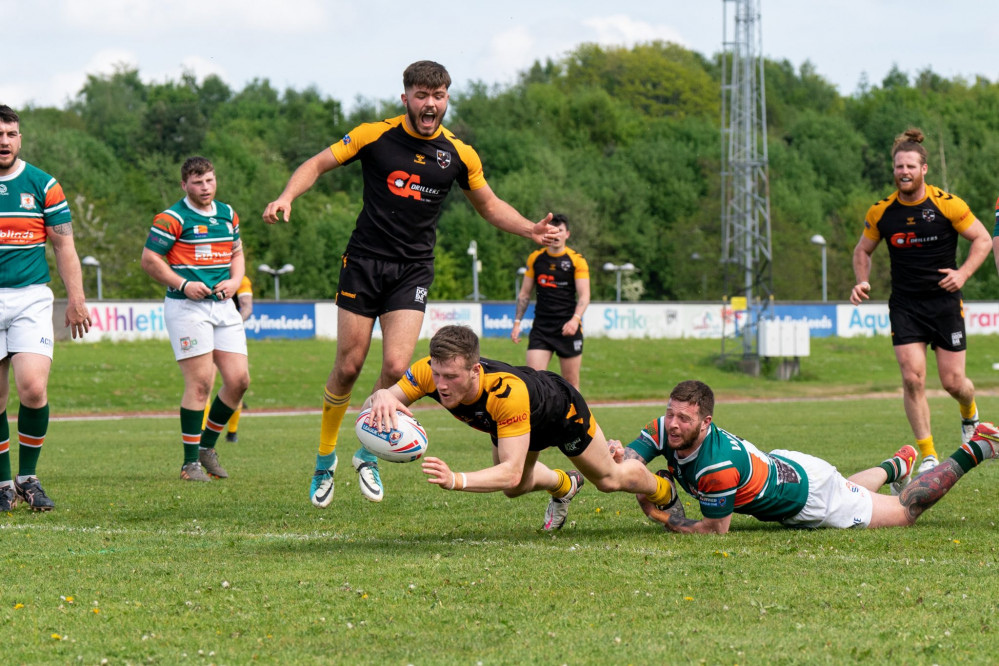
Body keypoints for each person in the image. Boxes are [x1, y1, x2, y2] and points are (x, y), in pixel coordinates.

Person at [261, 60, 559, 508]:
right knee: (348, 365)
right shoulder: (373, 134)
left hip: (412, 268)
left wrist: (528, 230)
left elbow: (490, 205)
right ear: (406, 98)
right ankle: (325, 460)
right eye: (422, 95)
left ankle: (368, 451)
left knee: (399, 366)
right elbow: (317, 164)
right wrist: (287, 196)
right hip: (363, 261)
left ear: (446, 99)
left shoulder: (459, 154)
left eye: (438, 96)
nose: (430, 104)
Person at [364, 325, 676, 530]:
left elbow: (510, 470)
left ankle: (663, 490)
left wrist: (455, 480)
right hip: (516, 422)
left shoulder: (504, 394)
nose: (441, 385)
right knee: (513, 491)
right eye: (438, 373)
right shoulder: (428, 371)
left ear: (475, 370)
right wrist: (380, 395)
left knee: (608, 479)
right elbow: (381, 403)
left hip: (560, 411)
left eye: (452, 377)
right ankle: (564, 485)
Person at [600, 379, 999, 534]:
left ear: (705, 422)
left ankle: (976, 447)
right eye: (670, 413)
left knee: (905, 511)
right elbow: (635, 456)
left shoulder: (716, 467)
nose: (671, 425)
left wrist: (665, 516)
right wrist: (621, 453)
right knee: (850, 489)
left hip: (808, 496)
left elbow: (712, 531)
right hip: (787, 465)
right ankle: (896, 465)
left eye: (683, 419)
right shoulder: (663, 427)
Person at [851, 127, 991, 477]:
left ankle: (969, 412)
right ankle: (929, 454)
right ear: (894, 169)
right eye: (899, 167)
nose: (904, 172)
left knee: (953, 382)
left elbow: (983, 240)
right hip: (906, 306)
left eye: (910, 166)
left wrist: (963, 275)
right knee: (913, 379)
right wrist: (862, 280)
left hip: (944, 304)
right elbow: (862, 250)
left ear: (923, 168)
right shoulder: (881, 212)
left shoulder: (948, 204)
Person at [0, 105, 90, 512]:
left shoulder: (43, 184)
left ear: (20, 138)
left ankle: (28, 478)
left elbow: (64, 245)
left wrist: (77, 300)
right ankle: (4, 484)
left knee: (33, 388)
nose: (4, 141)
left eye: (11, 133)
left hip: (30, 298)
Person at [141, 156, 250, 482]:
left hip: (223, 306)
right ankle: (190, 464)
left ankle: (206, 447)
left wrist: (235, 281)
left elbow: (237, 253)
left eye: (210, 180)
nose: (205, 187)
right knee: (201, 383)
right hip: (186, 308)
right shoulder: (171, 218)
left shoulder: (227, 214)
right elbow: (149, 260)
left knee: (239, 381)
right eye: (198, 182)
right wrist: (184, 284)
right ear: (184, 184)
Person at [510, 213, 590, 388]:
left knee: (571, 384)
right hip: (542, 328)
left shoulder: (577, 260)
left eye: (560, 230)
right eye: (552, 230)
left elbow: (584, 295)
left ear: (567, 234)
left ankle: (574, 416)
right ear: (547, 233)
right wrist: (517, 322)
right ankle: (538, 416)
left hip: (568, 328)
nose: (556, 234)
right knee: (534, 382)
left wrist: (575, 320)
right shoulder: (535, 258)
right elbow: (524, 294)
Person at [202, 274, 253, 443]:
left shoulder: (241, 279)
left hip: (228, 335)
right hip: (206, 331)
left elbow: (247, 307)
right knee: (205, 382)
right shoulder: (206, 274)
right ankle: (203, 432)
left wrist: (232, 323)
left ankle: (232, 432)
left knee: (236, 382)